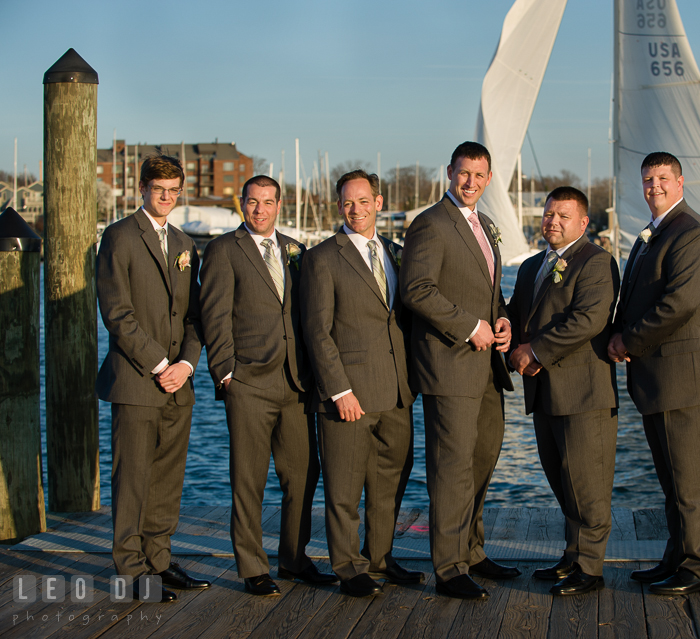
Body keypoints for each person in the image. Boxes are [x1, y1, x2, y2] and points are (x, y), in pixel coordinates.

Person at [608, 152, 700, 596]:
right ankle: (677, 557)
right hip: (661, 379)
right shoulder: (651, 235)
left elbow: (679, 305)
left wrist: (627, 341)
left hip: (691, 379)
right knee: (673, 479)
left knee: (695, 480)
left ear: (681, 182)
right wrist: (615, 332)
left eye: (662, 179)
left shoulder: (693, 234)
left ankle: (699, 568)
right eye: (648, 180)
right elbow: (635, 298)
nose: (654, 186)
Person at [199, 175, 335, 596]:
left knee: (302, 474)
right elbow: (214, 316)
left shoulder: (295, 250)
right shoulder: (223, 250)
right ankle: (252, 566)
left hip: (295, 383)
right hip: (249, 384)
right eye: (253, 202)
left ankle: (294, 558)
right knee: (249, 478)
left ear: (280, 204)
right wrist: (226, 373)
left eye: (268, 202)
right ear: (242, 204)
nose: (260, 210)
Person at [399, 141, 516, 600]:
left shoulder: (485, 224)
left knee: (482, 460)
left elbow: (487, 292)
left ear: (488, 179)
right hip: (449, 366)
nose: (470, 182)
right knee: (452, 469)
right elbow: (416, 289)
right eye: (463, 173)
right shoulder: (430, 224)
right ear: (450, 172)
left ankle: (472, 550)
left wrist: (502, 318)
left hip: (487, 367)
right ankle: (449, 568)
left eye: (479, 176)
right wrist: (470, 327)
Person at [300, 170, 423, 598]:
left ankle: (380, 557)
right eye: (348, 203)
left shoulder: (395, 252)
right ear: (339, 206)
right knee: (344, 486)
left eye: (363, 201)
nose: (356, 210)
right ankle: (348, 566)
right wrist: (339, 390)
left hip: (396, 392)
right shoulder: (322, 258)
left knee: (389, 484)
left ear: (379, 202)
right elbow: (317, 332)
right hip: (348, 395)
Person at [96, 155, 209, 602]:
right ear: (141, 188)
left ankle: (159, 561)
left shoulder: (185, 243)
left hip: (179, 381)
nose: (167, 197)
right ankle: (130, 569)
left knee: (167, 477)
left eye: (174, 190)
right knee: (132, 478)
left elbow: (195, 315)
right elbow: (117, 315)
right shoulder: (120, 237)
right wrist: (161, 365)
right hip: (137, 379)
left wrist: (186, 365)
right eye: (159, 189)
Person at [506, 186, 620, 596]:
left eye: (563, 216)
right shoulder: (533, 265)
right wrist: (503, 330)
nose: (553, 222)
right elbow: (518, 313)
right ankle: (573, 556)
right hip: (543, 392)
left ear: (583, 222)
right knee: (562, 480)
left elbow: (587, 319)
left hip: (583, 392)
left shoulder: (597, 262)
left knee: (587, 483)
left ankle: (590, 568)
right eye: (549, 214)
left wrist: (534, 351)